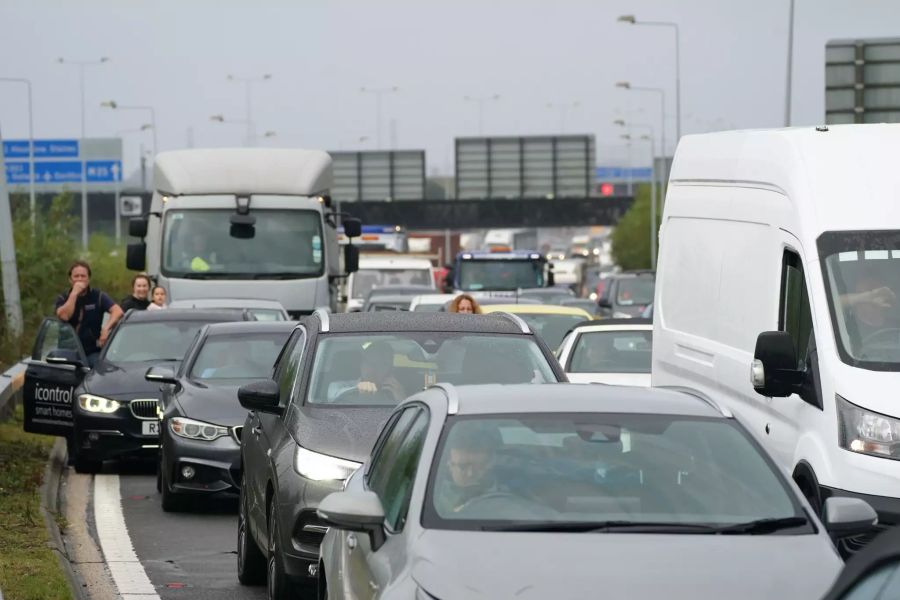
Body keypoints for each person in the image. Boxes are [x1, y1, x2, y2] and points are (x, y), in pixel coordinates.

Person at [55, 260, 124, 367]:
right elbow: (64, 316)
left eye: (83, 276)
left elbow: (118, 311)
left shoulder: (98, 296)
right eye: (76, 276)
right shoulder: (63, 297)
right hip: (69, 351)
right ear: (70, 279)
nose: (80, 279)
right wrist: (74, 294)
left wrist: (106, 329)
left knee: (101, 369)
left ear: (88, 279)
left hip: (92, 351)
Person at [435, 425, 502, 514]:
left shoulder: (511, 492)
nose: (470, 473)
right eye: (463, 466)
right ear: (449, 464)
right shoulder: (433, 497)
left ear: (491, 463)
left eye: (480, 466)